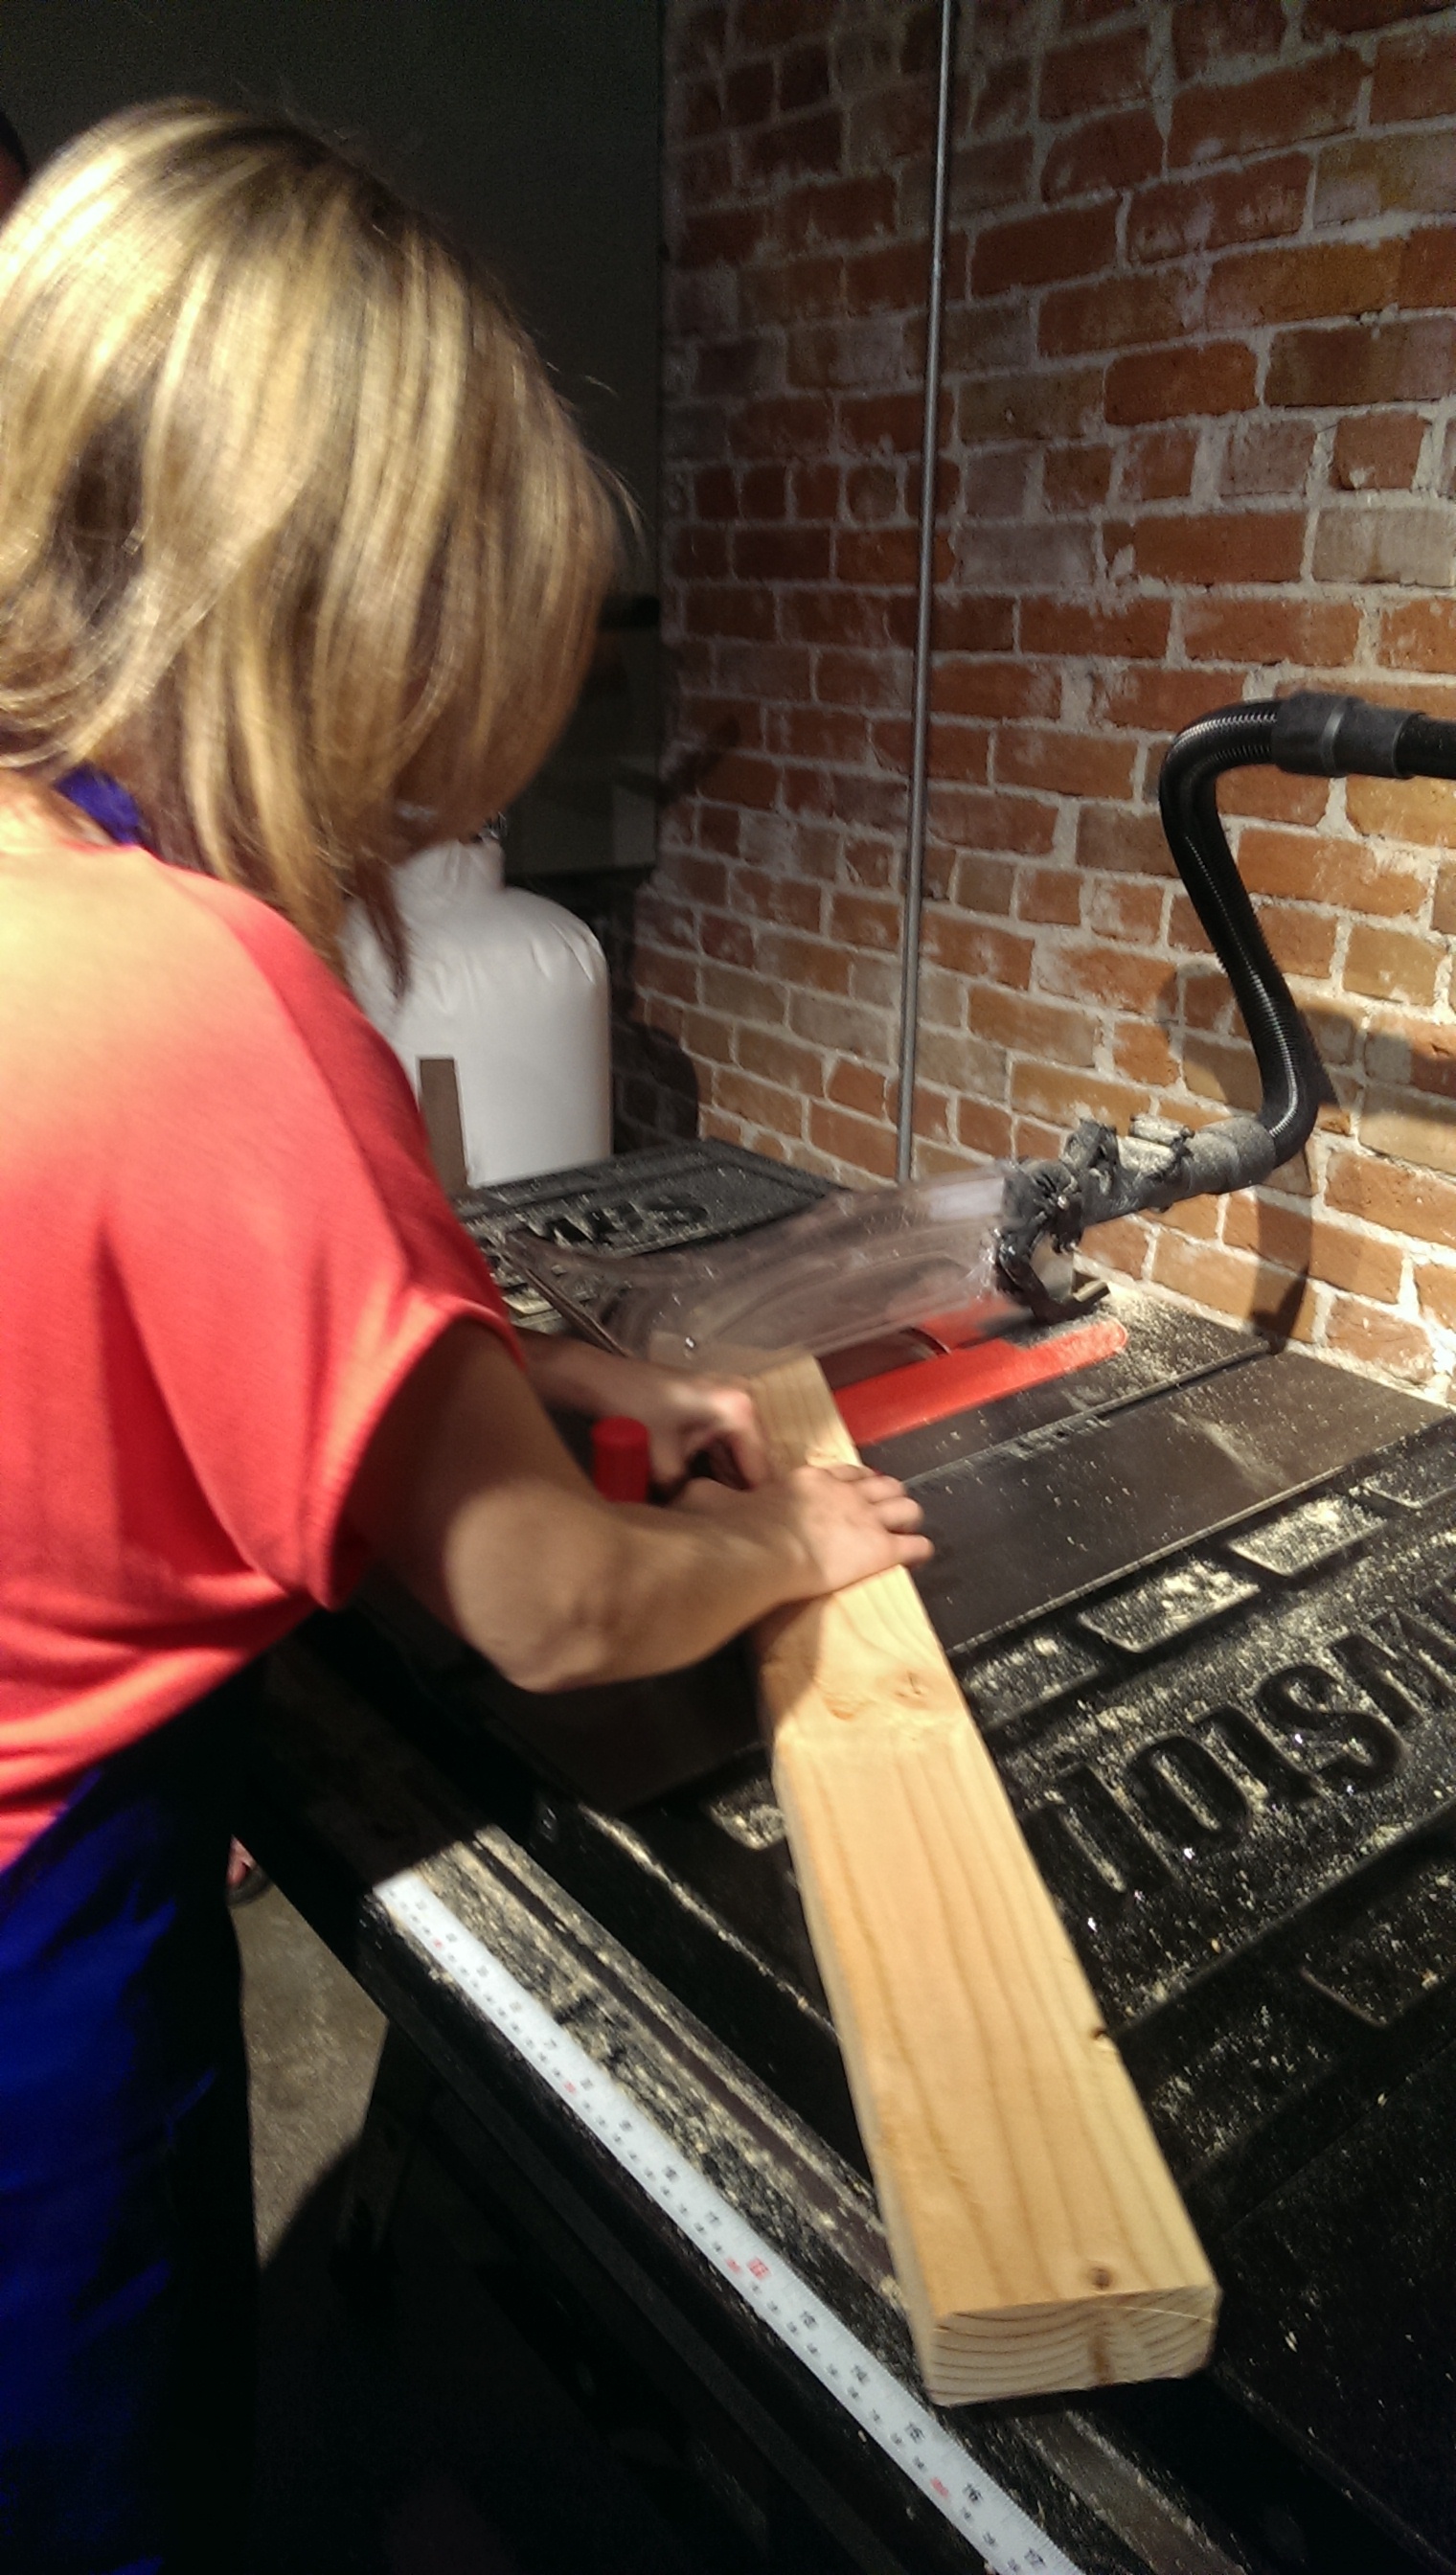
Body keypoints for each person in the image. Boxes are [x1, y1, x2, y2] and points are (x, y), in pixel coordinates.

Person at [0, 103, 929, 2574]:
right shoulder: (212, 992)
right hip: (31, 1978)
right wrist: (797, 1539)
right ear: (345, 609)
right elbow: (551, 1606)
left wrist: (511, 1354)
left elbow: (103, 1274)